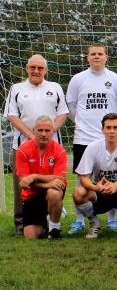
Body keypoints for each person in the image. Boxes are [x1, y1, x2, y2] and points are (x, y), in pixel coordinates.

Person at [3, 54, 68, 235]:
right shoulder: (16, 88)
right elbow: (12, 115)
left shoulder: (55, 88)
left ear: (46, 70)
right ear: (27, 68)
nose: (36, 71)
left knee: (54, 184)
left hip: (52, 146)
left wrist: (49, 130)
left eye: (40, 68)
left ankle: (51, 221)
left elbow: (62, 112)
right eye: (33, 67)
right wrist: (31, 134)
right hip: (23, 145)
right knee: (22, 185)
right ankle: (20, 223)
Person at [66, 43, 117, 234]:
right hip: (84, 138)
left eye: (100, 54)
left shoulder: (116, 79)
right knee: (81, 179)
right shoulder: (78, 79)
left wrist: (110, 130)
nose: (97, 57)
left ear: (106, 57)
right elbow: (72, 107)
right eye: (93, 54)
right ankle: (80, 220)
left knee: (111, 177)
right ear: (87, 57)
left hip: (110, 138)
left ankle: (112, 219)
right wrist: (85, 124)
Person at [72, 113, 117, 239]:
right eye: (108, 127)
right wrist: (96, 188)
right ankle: (95, 222)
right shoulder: (92, 147)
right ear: (102, 130)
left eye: (115, 127)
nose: (112, 131)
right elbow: (83, 177)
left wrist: (116, 185)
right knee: (78, 192)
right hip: (101, 191)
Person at [15, 116, 66, 240]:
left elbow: (59, 178)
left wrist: (34, 176)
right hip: (31, 195)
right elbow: (24, 183)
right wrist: (48, 183)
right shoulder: (22, 150)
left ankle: (54, 229)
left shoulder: (60, 151)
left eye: (47, 131)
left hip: (53, 191)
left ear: (52, 131)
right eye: (40, 130)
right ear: (33, 130)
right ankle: (49, 218)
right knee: (31, 237)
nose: (44, 134)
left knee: (54, 192)